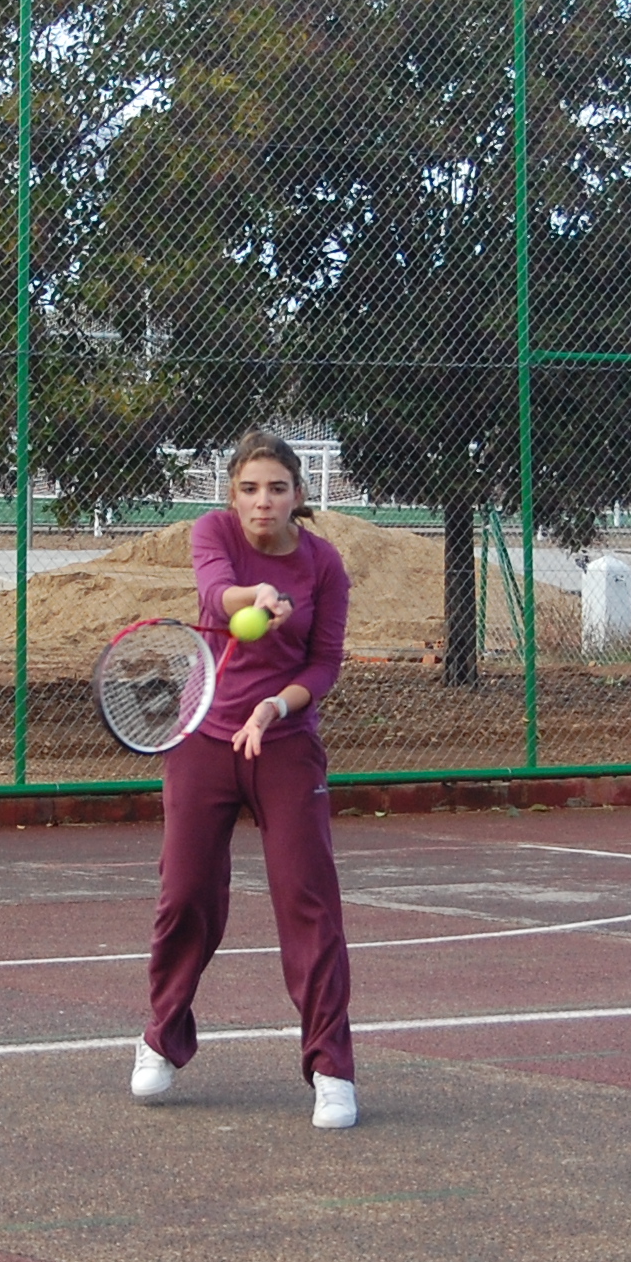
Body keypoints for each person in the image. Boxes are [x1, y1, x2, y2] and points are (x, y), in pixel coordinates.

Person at [131, 431, 359, 1129]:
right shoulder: (213, 534)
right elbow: (215, 592)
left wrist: (274, 706)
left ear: (298, 496)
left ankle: (331, 1069)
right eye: (250, 489)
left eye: (277, 488)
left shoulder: (324, 565)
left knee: (308, 900)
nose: (263, 501)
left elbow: (323, 665)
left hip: (283, 743)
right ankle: (161, 1039)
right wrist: (251, 595)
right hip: (203, 739)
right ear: (232, 496)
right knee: (186, 895)